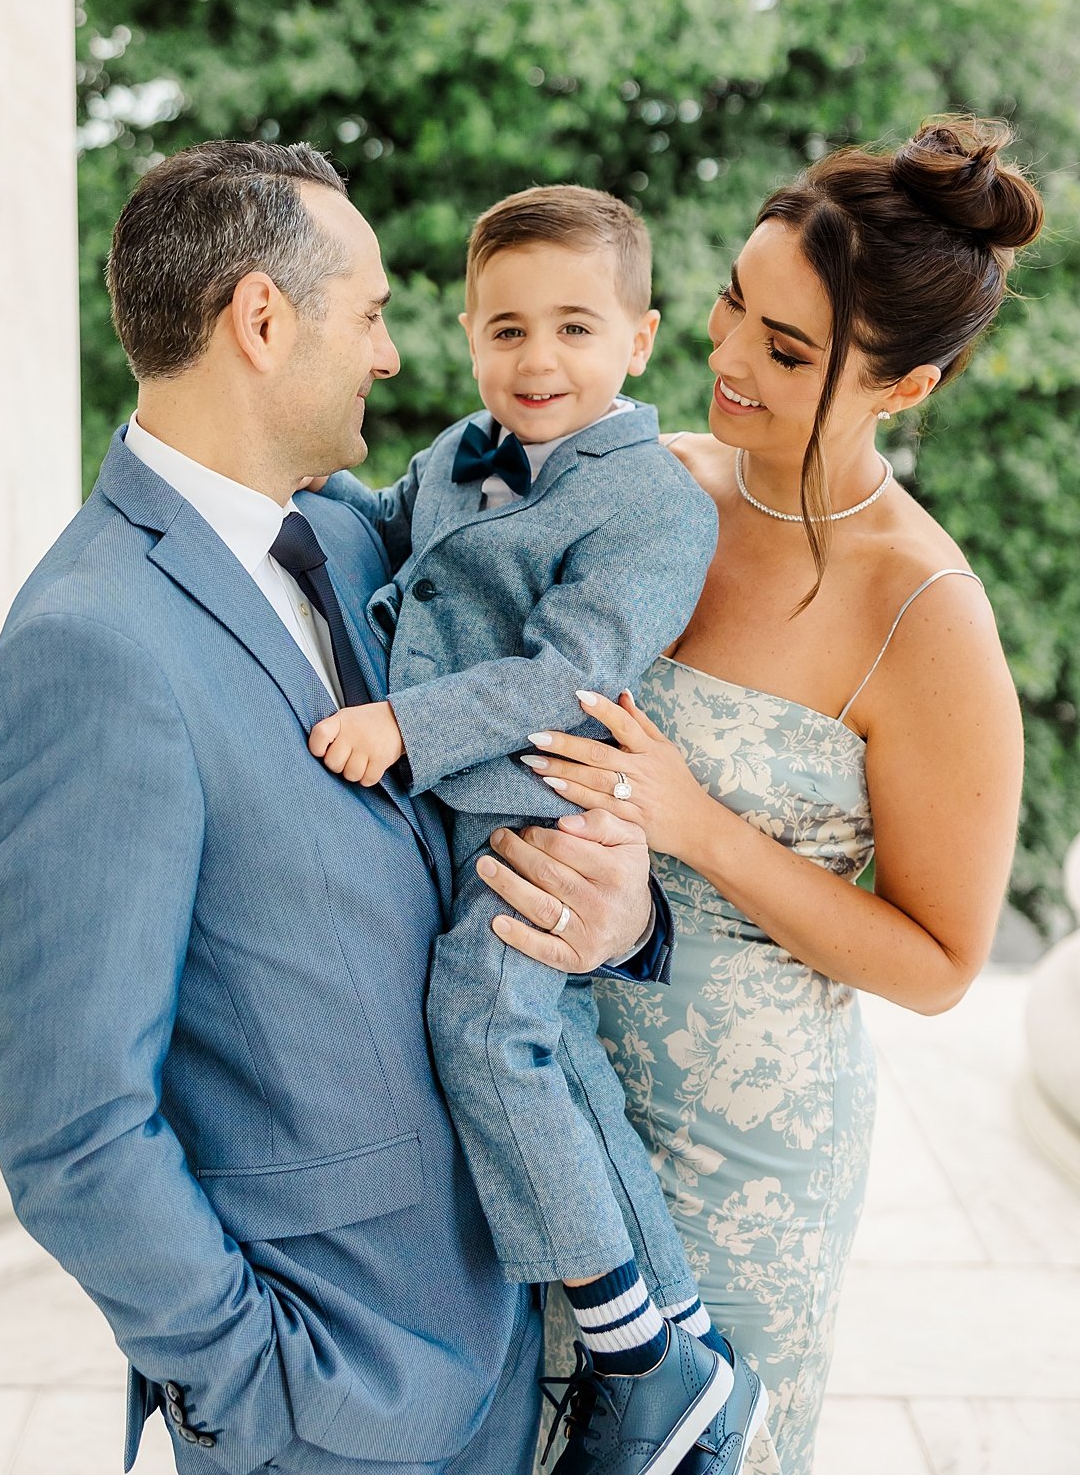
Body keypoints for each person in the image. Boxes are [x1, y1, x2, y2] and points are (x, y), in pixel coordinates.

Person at [0, 141, 673, 1475]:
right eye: (373, 313)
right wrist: (265, 1386)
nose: (395, 356)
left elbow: (493, 786)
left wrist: (622, 910)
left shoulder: (356, 535)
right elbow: (75, 1130)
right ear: (263, 320)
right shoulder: (90, 648)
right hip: (335, 1402)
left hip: (508, 1335)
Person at [528, 118, 1036, 1475]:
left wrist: (697, 824)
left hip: (740, 1159)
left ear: (905, 388)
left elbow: (939, 963)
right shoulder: (650, 478)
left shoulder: (921, 611)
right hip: (546, 1090)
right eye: (735, 304)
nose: (730, 359)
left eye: (791, 350)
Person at [318, 186, 765, 1475]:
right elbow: (379, 527)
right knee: (547, 1060)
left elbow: (571, 676)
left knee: (485, 1021)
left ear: (641, 340)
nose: (538, 359)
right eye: (506, 329)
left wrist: (403, 722)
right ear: (467, 334)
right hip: (455, 820)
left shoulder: (654, 505)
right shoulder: (461, 452)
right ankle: (675, 1344)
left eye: (575, 328)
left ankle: (634, 1361)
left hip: (540, 821)